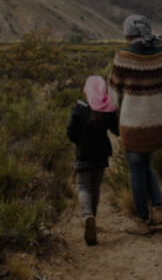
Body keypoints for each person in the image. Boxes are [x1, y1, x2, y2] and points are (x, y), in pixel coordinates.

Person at [109, 15, 162, 235]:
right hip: (158, 124)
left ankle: (141, 220)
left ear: (129, 35)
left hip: (133, 125)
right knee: (145, 163)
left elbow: (114, 97)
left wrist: (118, 118)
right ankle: (158, 209)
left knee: (136, 168)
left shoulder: (122, 57)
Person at [66, 75, 119, 246]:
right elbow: (117, 130)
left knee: (83, 186)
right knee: (95, 187)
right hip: (101, 155)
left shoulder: (78, 109)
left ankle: (87, 215)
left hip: (83, 155)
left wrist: (78, 141)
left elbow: (70, 133)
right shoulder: (107, 110)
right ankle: (93, 218)